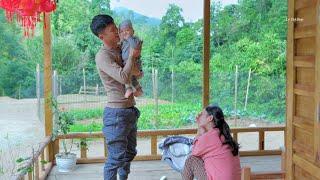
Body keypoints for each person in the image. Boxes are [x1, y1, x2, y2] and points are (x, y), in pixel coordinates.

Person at [90, 14, 141, 180]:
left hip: (129, 110)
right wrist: (132, 58)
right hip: (116, 114)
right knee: (115, 158)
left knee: (130, 152)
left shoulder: (122, 48)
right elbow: (124, 77)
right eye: (113, 31)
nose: (118, 32)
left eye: (116, 28)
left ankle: (123, 178)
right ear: (102, 36)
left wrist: (134, 61)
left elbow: (138, 73)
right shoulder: (102, 56)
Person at [182, 105, 241, 180]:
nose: (198, 116)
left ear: (210, 118)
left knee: (191, 159)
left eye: (202, 114)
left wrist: (199, 130)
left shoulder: (211, 136)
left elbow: (194, 152)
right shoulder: (222, 134)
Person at [119, 19, 144, 98]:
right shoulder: (123, 42)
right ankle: (138, 89)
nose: (125, 33)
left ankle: (129, 88)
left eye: (127, 30)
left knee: (127, 74)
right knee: (131, 77)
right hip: (126, 62)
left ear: (133, 31)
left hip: (135, 61)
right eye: (122, 31)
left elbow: (135, 46)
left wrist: (129, 38)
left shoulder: (135, 39)